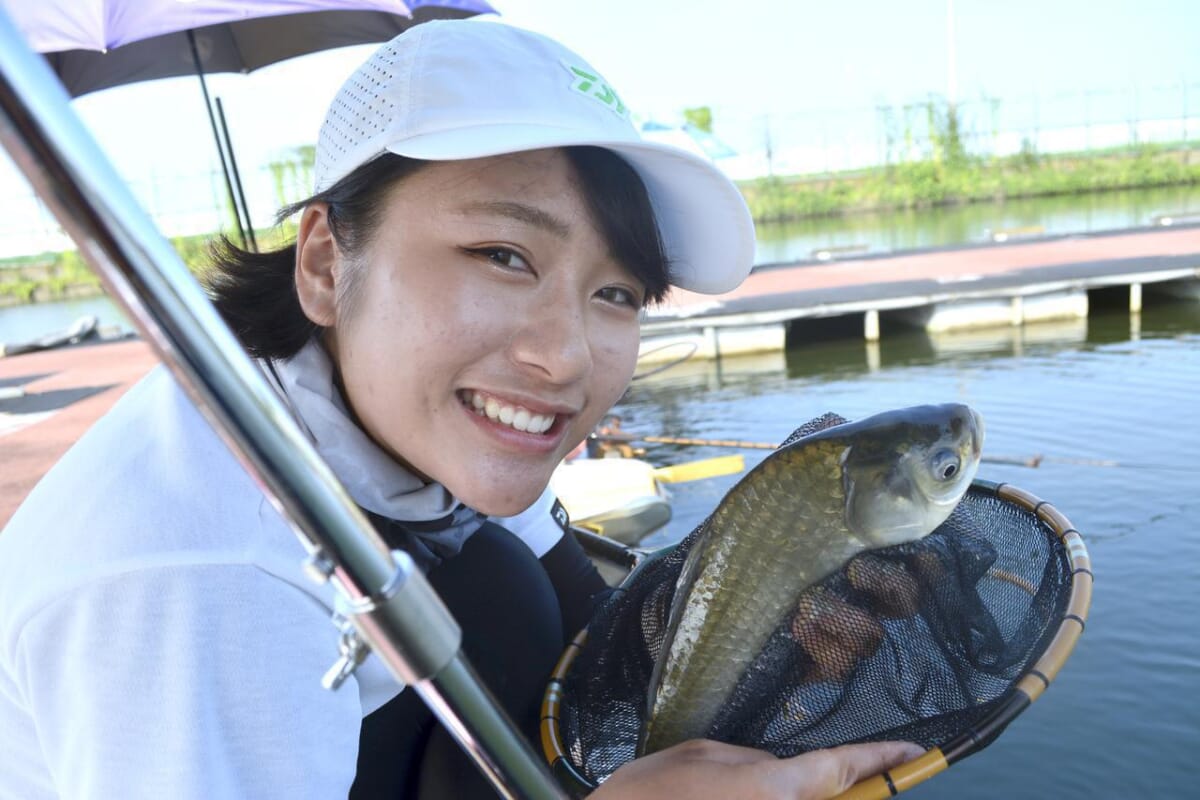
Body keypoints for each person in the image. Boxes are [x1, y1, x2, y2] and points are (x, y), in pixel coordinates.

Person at [0, 19, 922, 800]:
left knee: (506, 595)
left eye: (619, 294)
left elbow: (582, 632)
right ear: (325, 262)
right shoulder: (210, 584)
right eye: (502, 255)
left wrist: (773, 647)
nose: (562, 357)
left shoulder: (435, 416)